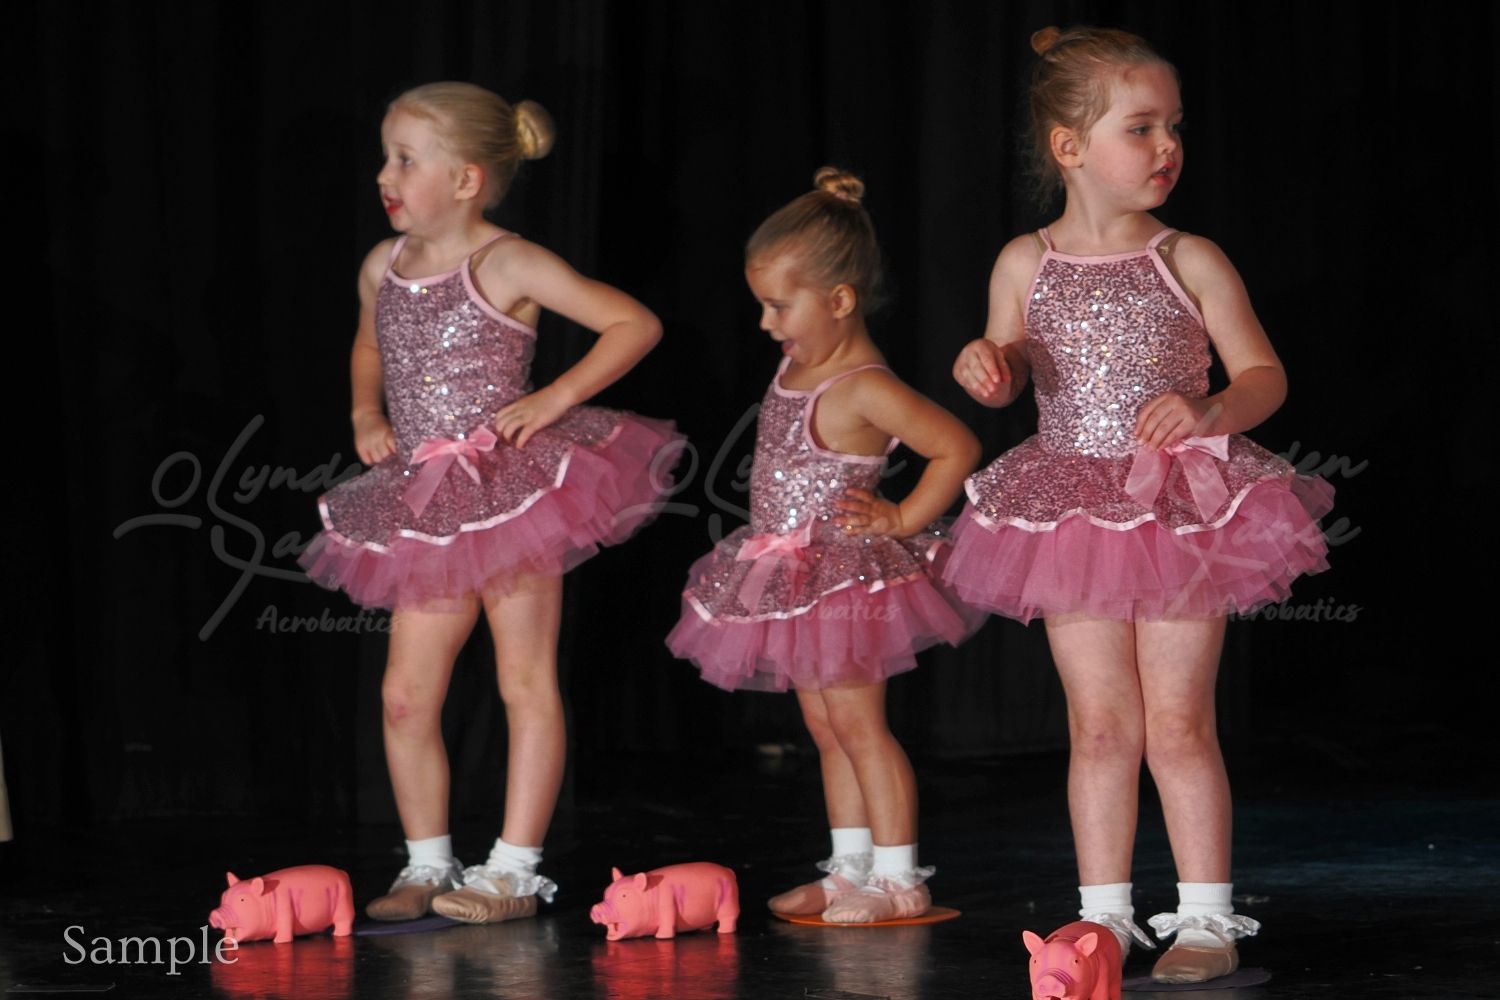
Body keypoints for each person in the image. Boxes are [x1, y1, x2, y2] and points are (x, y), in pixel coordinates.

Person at [945, 27, 1334, 983]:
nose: (1168, 146)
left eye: (1175, 127)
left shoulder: (1189, 257)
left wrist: (1211, 411)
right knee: (1101, 727)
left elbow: (1264, 375)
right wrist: (988, 368)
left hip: (1176, 510)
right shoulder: (1023, 261)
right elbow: (1010, 364)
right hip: (1071, 513)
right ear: (1068, 146)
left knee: (1179, 723)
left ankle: (1205, 919)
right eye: (1142, 127)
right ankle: (1105, 917)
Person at [299, 82, 680, 924]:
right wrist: (365, 413)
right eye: (386, 156)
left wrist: (555, 398)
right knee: (405, 695)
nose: (384, 175)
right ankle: (427, 863)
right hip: (427, 503)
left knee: (523, 679)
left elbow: (634, 324)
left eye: (406, 159)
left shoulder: (508, 263)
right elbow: (368, 346)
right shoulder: (382, 265)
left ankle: (512, 870)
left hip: (511, 498)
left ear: (467, 179)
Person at [667, 168, 982, 923]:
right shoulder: (796, 365)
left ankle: (900, 881)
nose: (766, 323)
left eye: (780, 306)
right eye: (762, 305)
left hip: (845, 579)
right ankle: (848, 871)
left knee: (861, 727)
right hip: (790, 572)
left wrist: (902, 518)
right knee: (826, 727)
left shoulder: (865, 385)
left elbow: (957, 446)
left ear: (840, 300)